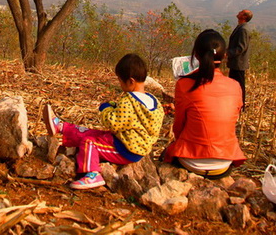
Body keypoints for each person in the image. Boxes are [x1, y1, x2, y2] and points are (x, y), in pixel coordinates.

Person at [42, 53, 164, 190]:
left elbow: (112, 122)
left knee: (89, 142)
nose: (120, 84)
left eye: (120, 81)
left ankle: (92, 173)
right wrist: (115, 106)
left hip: (125, 150)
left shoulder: (129, 101)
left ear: (130, 81)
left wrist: (105, 109)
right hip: (130, 144)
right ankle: (61, 127)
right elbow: (131, 119)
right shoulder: (153, 101)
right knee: (93, 133)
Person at [163, 29, 245, 179]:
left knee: (165, 153)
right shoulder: (235, 86)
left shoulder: (185, 84)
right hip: (224, 164)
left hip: (190, 161)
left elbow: (178, 127)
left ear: (196, 55)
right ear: (224, 55)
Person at [227, 9, 253, 106]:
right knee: (234, 85)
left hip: (239, 63)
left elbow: (240, 47)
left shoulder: (244, 30)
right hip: (235, 63)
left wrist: (228, 53)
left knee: (239, 85)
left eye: (241, 12)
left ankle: (240, 105)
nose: (239, 12)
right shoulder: (240, 27)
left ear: (244, 17)